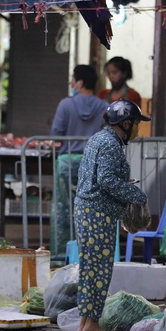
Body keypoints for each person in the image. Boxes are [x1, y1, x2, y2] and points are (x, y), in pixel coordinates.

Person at [74, 99, 150, 331]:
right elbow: (106, 180)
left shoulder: (99, 139)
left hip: (88, 209)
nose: (138, 129)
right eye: (137, 123)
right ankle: (92, 325)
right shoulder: (110, 145)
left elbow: (100, 177)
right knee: (99, 270)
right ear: (126, 123)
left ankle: (85, 323)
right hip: (97, 213)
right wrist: (136, 195)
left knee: (89, 268)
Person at [50, 65, 108, 257]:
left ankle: (61, 254)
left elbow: (56, 134)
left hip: (67, 162)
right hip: (94, 163)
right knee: (93, 209)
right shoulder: (104, 106)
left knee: (64, 210)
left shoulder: (65, 104)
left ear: (80, 83)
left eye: (73, 79)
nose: (71, 83)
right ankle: (92, 252)